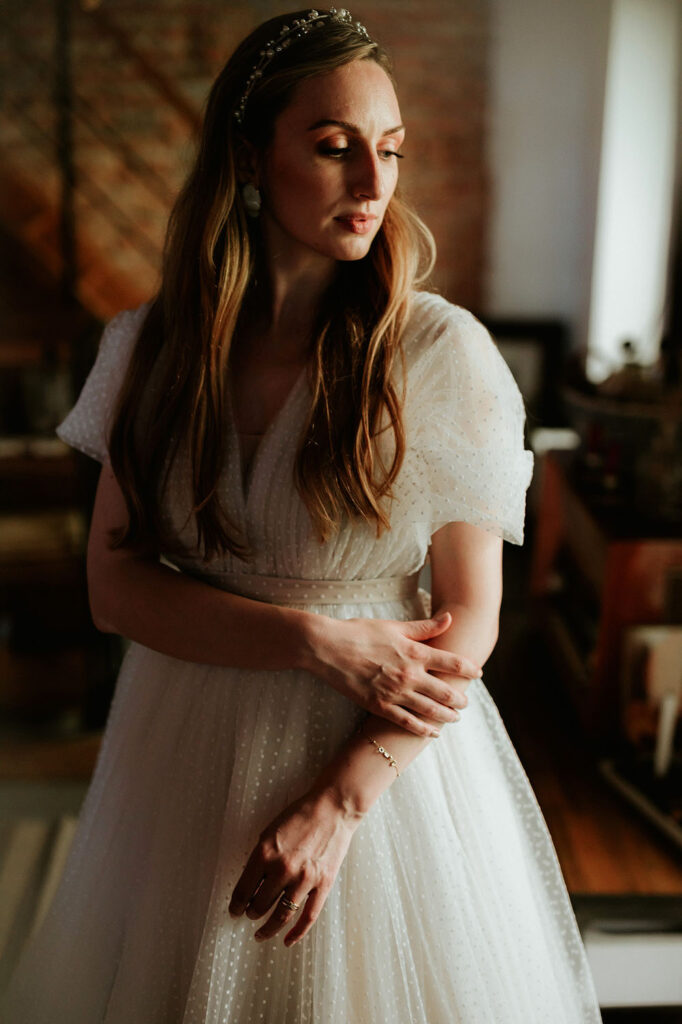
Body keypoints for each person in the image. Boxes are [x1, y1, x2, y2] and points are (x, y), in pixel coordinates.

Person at [0, 8, 602, 1023]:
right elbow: (115, 589)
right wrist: (317, 640)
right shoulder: (150, 348)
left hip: (377, 770)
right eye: (333, 147)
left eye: (390, 150)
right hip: (184, 742)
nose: (373, 182)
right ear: (249, 157)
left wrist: (340, 802)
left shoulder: (439, 352)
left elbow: (469, 618)